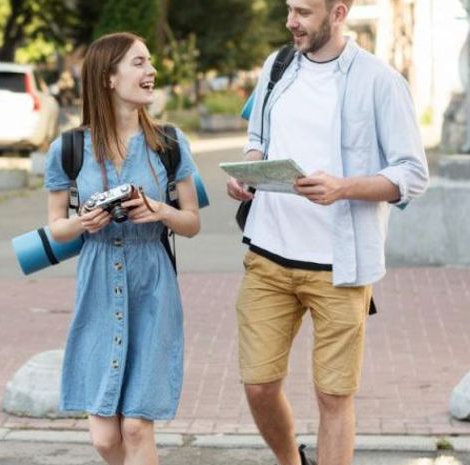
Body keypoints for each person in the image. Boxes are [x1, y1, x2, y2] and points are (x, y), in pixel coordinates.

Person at [225, 1, 430, 464]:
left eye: (302, 12)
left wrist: (344, 188)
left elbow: (413, 175)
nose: (290, 21)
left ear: (337, 13)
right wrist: (248, 172)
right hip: (268, 257)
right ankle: (293, 461)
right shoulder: (276, 67)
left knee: (333, 396)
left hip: (340, 268)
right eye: (288, 9)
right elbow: (257, 140)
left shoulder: (380, 82)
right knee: (258, 384)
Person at [43, 32, 201, 465]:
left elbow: (192, 222)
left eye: (149, 62)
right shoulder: (70, 149)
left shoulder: (169, 144)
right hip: (98, 283)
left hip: (152, 283)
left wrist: (159, 212)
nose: (150, 72)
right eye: (139, 63)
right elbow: (56, 227)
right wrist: (81, 223)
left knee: (135, 425)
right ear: (109, 77)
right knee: (104, 438)